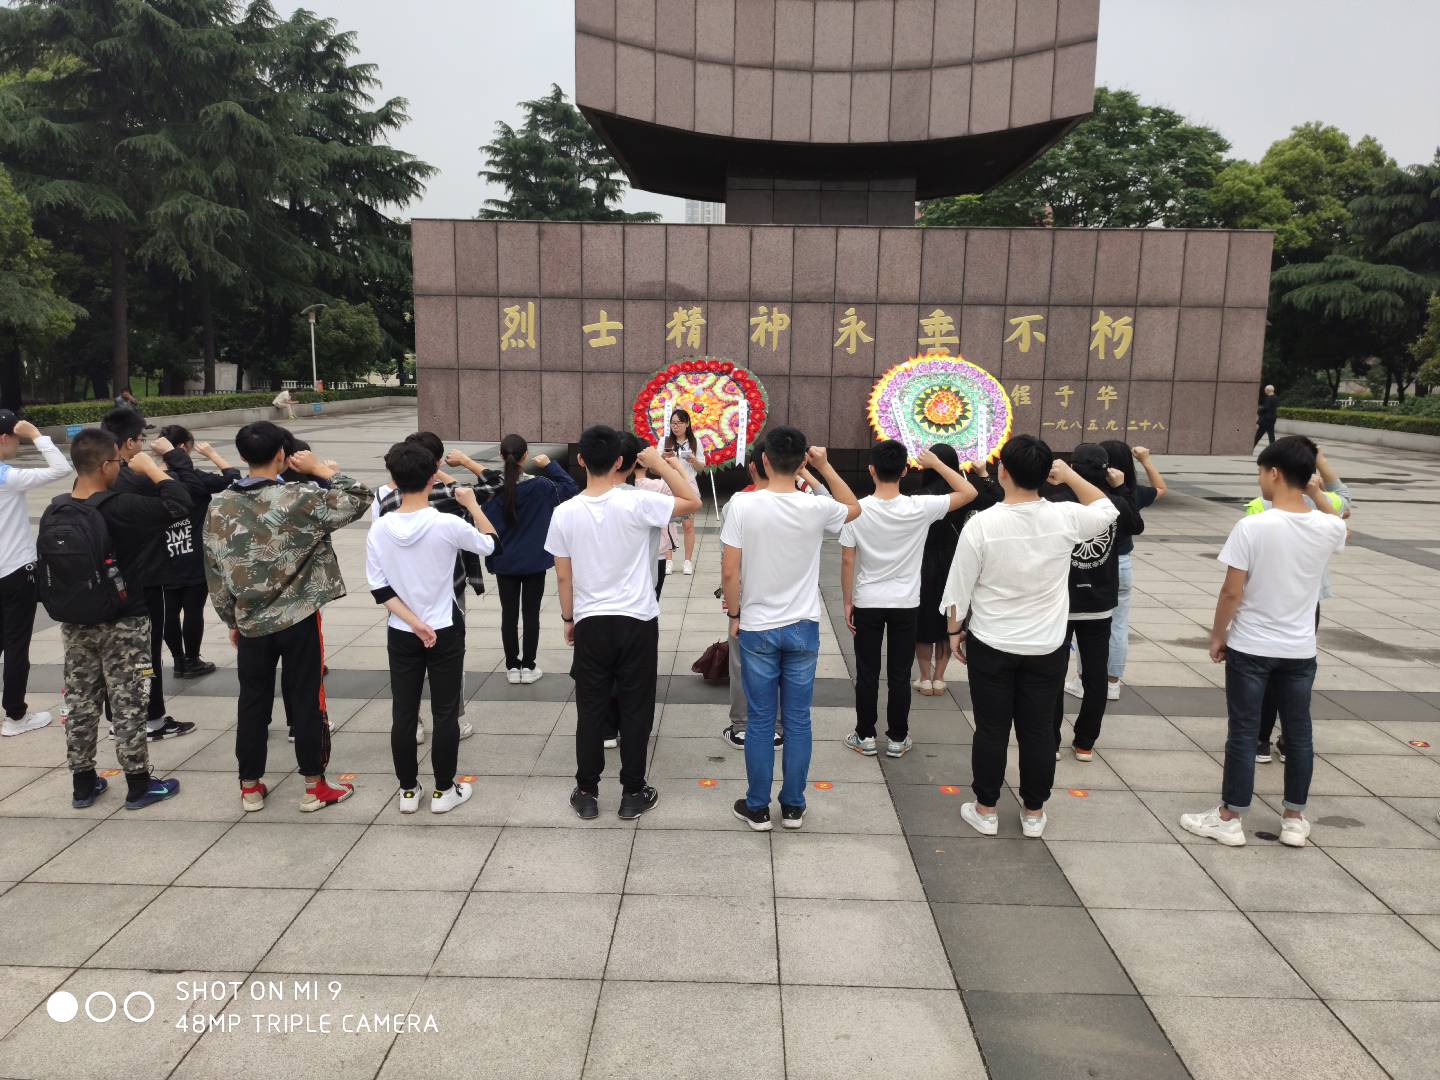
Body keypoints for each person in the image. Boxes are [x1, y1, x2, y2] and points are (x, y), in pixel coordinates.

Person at [941, 436, 1119, 840]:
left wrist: (954, 632)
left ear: (1002, 471)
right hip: (1046, 646)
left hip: (992, 641)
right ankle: (1034, 812)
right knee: (1038, 731)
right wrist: (1069, 474)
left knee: (991, 728)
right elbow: (1107, 509)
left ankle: (986, 809)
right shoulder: (1065, 516)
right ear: (1045, 474)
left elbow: (958, 589)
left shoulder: (982, 524)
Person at [1181, 436, 1347, 848]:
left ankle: (1230, 818)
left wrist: (1218, 635)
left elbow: (1231, 592)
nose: (1260, 480)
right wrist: (1316, 493)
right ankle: (1294, 819)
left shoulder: (1252, 526)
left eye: (1261, 472)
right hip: (1299, 649)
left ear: (1274, 473)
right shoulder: (1327, 526)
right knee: (1300, 732)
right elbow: (1339, 524)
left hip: (1252, 646)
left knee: (1243, 731)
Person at [203, 421, 372, 813]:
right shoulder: (300, 496)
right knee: (305, 699)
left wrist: (231, 620)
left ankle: (249, 786)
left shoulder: (219, 505)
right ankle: (315, 786)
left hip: (250, 621)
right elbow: (360, 497)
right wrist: (320, 469)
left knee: (252, 701)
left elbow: (214, 570)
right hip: (298, 616)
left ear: (242, 455)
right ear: (282, 454)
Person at [546, 425, 699, 821]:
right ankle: (633, 791)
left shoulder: (564, 512)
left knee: (590, 708)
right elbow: (692, 501)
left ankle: (587, 791)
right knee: (636, 707)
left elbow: (563, 575)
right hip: (637, 619)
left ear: (581, 460)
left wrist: (569, 618)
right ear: (619, 461)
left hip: (591, 620)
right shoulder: (638, 502)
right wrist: (660, 464)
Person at [722, 429, 861, 832]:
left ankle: (757, 807)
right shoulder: (815, 507)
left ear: (764, 460)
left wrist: (735, 614)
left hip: (757, 625)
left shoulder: (742, 505)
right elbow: (853, 507)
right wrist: (823, 467)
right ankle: (794, 806)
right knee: (798, 720)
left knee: (761, 720)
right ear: (801, 462)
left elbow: (730, 571)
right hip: (803, 625)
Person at [41, 429, 187, 810]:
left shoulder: (56, 510)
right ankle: (139, 784)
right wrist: (152, 469)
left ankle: (83, 784)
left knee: (80, 700)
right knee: (129, 699)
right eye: (118, 463)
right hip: (125, 622)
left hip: (76, 622)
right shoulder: (119, 506)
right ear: (107, 465)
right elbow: (179, 503)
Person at [367, 441, 499, 814]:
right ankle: (444, 790)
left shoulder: (380, 529)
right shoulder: (447, 523)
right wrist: (473, 505)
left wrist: (413, 622)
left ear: (393, 479)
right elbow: (491, 546)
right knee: (445, 712)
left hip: (401, 630)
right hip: (445, 627)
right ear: (432, 478)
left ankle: (408, 791)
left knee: (404, 713)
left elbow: (380, 589)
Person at [841, 442, 975, 759]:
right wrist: (937, 464)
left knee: (867, 672)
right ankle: (898, 737)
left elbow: (848, 560)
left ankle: (865, 735)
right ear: (904, 471)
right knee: (900, 673)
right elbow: (968, 492)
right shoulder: (919, 507)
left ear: (871, 470)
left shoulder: (856, 510)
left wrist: (848, 602)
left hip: (868, 600)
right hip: (906, 602)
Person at [100, 407, 205, 740]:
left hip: (109, 577)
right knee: (147, 653)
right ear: (130, 443)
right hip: (144, 577)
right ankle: (153, 720)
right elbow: (188, 493)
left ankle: (118, 717)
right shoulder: (136, 477)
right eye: (141, 439)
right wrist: (170, 458)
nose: (143, 444)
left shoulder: (101, 475)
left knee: (117, 651)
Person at [1248, 443, 1352, 764]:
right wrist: (1318, 486)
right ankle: (1290, 741)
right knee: (1296, 676)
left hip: (1267, 602)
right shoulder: (1324, 507)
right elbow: (1344, 504)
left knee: (1265, 673)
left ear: (1274, 473)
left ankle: (1260, 740)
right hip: (1307, 604)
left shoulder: (1258, 508)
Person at [1049, 444, 1143, 762]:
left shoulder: (1057, 501)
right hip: (1099, 601)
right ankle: (1085, 742)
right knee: (1095, 675)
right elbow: (1136, 525)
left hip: (1061, 600)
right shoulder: (1113, 503)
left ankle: (1050, 740)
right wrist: (1122, 488)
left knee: (1053, 673)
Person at [483, 433, 579, 685]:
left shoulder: (492, 490)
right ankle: (528, 665)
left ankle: (512, 666)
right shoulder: (541, 486)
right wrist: (549, 465)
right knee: (531, 614)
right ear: (525, 456)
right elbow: (570, 488)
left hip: (504, 562)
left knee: (509, 615)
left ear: (501, 456)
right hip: (534, 561)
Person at [0, 411, 74, 736]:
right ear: (4, 438)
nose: (18, 444)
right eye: (17, 439)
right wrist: (36, 435)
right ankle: (16, 716)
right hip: (16, 572)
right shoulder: (8, 477)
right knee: (16, 645)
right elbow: (61, 468)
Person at [1080, 441, 1167, 702]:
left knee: (1087, 626)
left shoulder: (1088, 493)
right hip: (1123, 563)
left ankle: (1084, 680)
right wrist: (1146, 460)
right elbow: (1161, 489)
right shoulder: (1131, 493)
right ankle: (1112, 683)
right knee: (1117, 626)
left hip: (1094, 566)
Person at [913, 444, 1001, 698]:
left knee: (924, 622)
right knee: (948, 619)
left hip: (923, 563)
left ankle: (925, 678)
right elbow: (998, 500)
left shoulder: (919, 496)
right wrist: (983, 474)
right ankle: (940, 678)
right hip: (955, 562)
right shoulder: (966, 496)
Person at [154, 425, 239, 680]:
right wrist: (212, 453)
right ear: (182, 447)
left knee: (169, 612)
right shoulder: (196, 478)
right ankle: (192, 659)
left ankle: (178, 661)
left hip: (163, 554)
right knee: (193, 610)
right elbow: (232, 478)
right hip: (193, 554)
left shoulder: (150, 478)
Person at [663, 408, 705, 575]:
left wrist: (693, 460)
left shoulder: (695, 442)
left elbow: (701, 467)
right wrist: (663, 457)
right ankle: (668, 560)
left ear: (687, 424)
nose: (676, 427)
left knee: (688, 525)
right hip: (668, 485)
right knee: (666, 524)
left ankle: (687, 561)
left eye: (679, 423)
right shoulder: (665, 441)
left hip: (688, 486)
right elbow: (655, 464)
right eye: (673, 423)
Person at [1255, 384, 1279, 448]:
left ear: (1268, 390)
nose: (1264, 391)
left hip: (1265, 420)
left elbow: (1266, 408)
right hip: (1272, 419)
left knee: (1258, 435)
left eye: (1265, 390)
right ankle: (1273, 448)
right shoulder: (1276, 398)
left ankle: (1251, 447)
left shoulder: (1268, 398)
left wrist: (1258, 410)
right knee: (1271, 435)